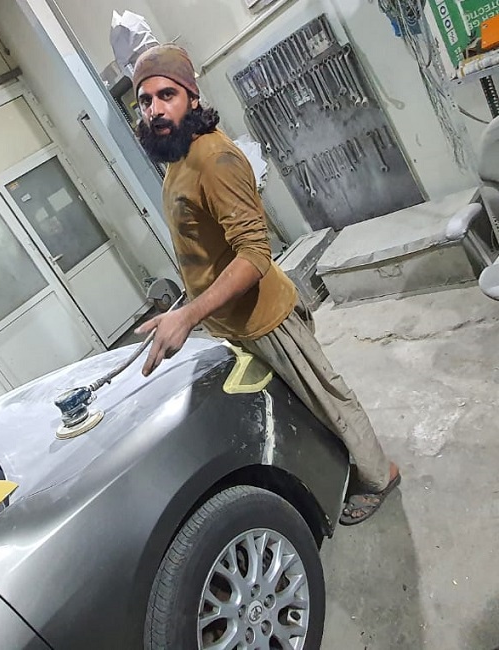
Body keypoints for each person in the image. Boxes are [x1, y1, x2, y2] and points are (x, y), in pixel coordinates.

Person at [130, 43, 400, 525]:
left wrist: (188, 316)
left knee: (327, 399)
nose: (155, 110)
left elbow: (255, 255)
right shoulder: (177, 160)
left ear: (192, 96)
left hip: (266, 318)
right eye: (145, 101)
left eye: (166, 95)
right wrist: (187, 308)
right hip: (230, 321)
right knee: (301, 409)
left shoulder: (214, 159)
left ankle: (380, 475)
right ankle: (340, 470)